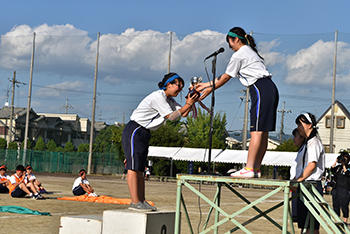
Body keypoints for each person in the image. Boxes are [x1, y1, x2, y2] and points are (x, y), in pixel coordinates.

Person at [196, 27, 279, 178]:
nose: (230, 47)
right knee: (263, 132)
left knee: (256, 131)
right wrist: (205, 86)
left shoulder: (239, 55)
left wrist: (209, 88)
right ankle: (256, 168)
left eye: (230, 43)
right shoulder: (250, 51)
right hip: (270, 88)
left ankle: (248, 168)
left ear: (236, 40)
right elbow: (223, 77)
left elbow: (226, 77)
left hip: (260, 88)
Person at [122, 72, 198, 211]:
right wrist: (188, 103)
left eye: (182, 88)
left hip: (144, 132)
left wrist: (191, 99)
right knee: (133, 168)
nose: (180, 89)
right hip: (135, 129)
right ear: (168, 84)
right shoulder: (159, 96)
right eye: (178, 86)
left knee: (140, 169)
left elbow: (184, 112)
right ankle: (134, 201)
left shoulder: (169, 100)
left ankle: (141, 200)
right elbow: (172, 117)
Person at [294, 113, 325, 233]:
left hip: (312, 185)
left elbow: (312, 165)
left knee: (312, 226)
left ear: (310, 125)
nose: (298, 128)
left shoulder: (314, 142)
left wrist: (299, 179)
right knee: (304, 224)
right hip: (305, 185)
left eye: (301, 125)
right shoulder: (307, 143)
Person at [289, 128, 306, 222]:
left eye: (295, 136)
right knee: (299, 220)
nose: (294, 139)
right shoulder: (301, 150)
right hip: (296, 183)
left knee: (306, 222)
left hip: (300, 183)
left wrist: (297, 179)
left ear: (302, 138)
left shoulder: (305, 149)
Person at [330, 151, 350, 224]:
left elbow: (348, 174)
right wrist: (336, 161)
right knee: (336, 204)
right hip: (336, 188)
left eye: (345, 158)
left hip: (345, 189)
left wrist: (344, 165)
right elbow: (332, 170)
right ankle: (337, 219)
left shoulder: (348, 167)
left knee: (344, 205)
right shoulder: (338, 167)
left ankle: (345, 220)